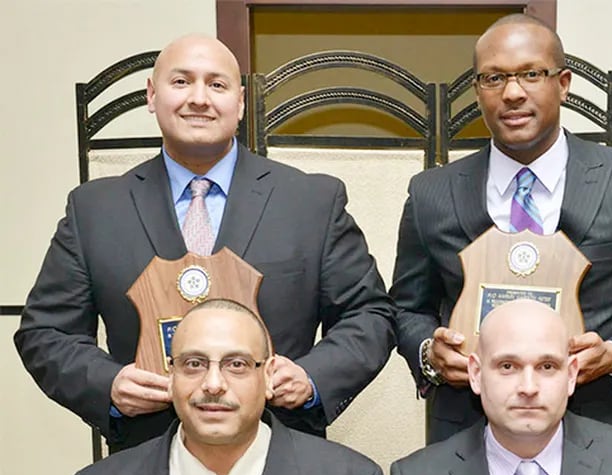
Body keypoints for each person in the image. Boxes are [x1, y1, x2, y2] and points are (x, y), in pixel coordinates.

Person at [15, 34, 395, 451]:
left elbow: (370, 315)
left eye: (216, 84)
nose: (199, 98)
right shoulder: (94, 209)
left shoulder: (312, 202)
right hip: (145, 459)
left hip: (283, 456)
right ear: (151, 95)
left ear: (242, 101)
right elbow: (46, 332)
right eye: (181, 82)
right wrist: (109, 384)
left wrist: (312, 377)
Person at [390, 13, 612, 443]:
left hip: (597, 431)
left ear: (562, 83)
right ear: (476, 90)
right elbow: (403, 308)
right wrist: (430, 353)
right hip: (465, 436)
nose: (512, 93)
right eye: (493, 78)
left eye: (531, 74)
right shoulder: (432, 192)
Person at [65, 298, 387, 475]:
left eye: (237, 364)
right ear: (171, 373)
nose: (214, 384)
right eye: (194, 364)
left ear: (269, 375)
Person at [389, 299, 612, 475]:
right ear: (476, 375)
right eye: (507, 366)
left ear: (571, 375)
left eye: (547, 367)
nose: (528, 388)